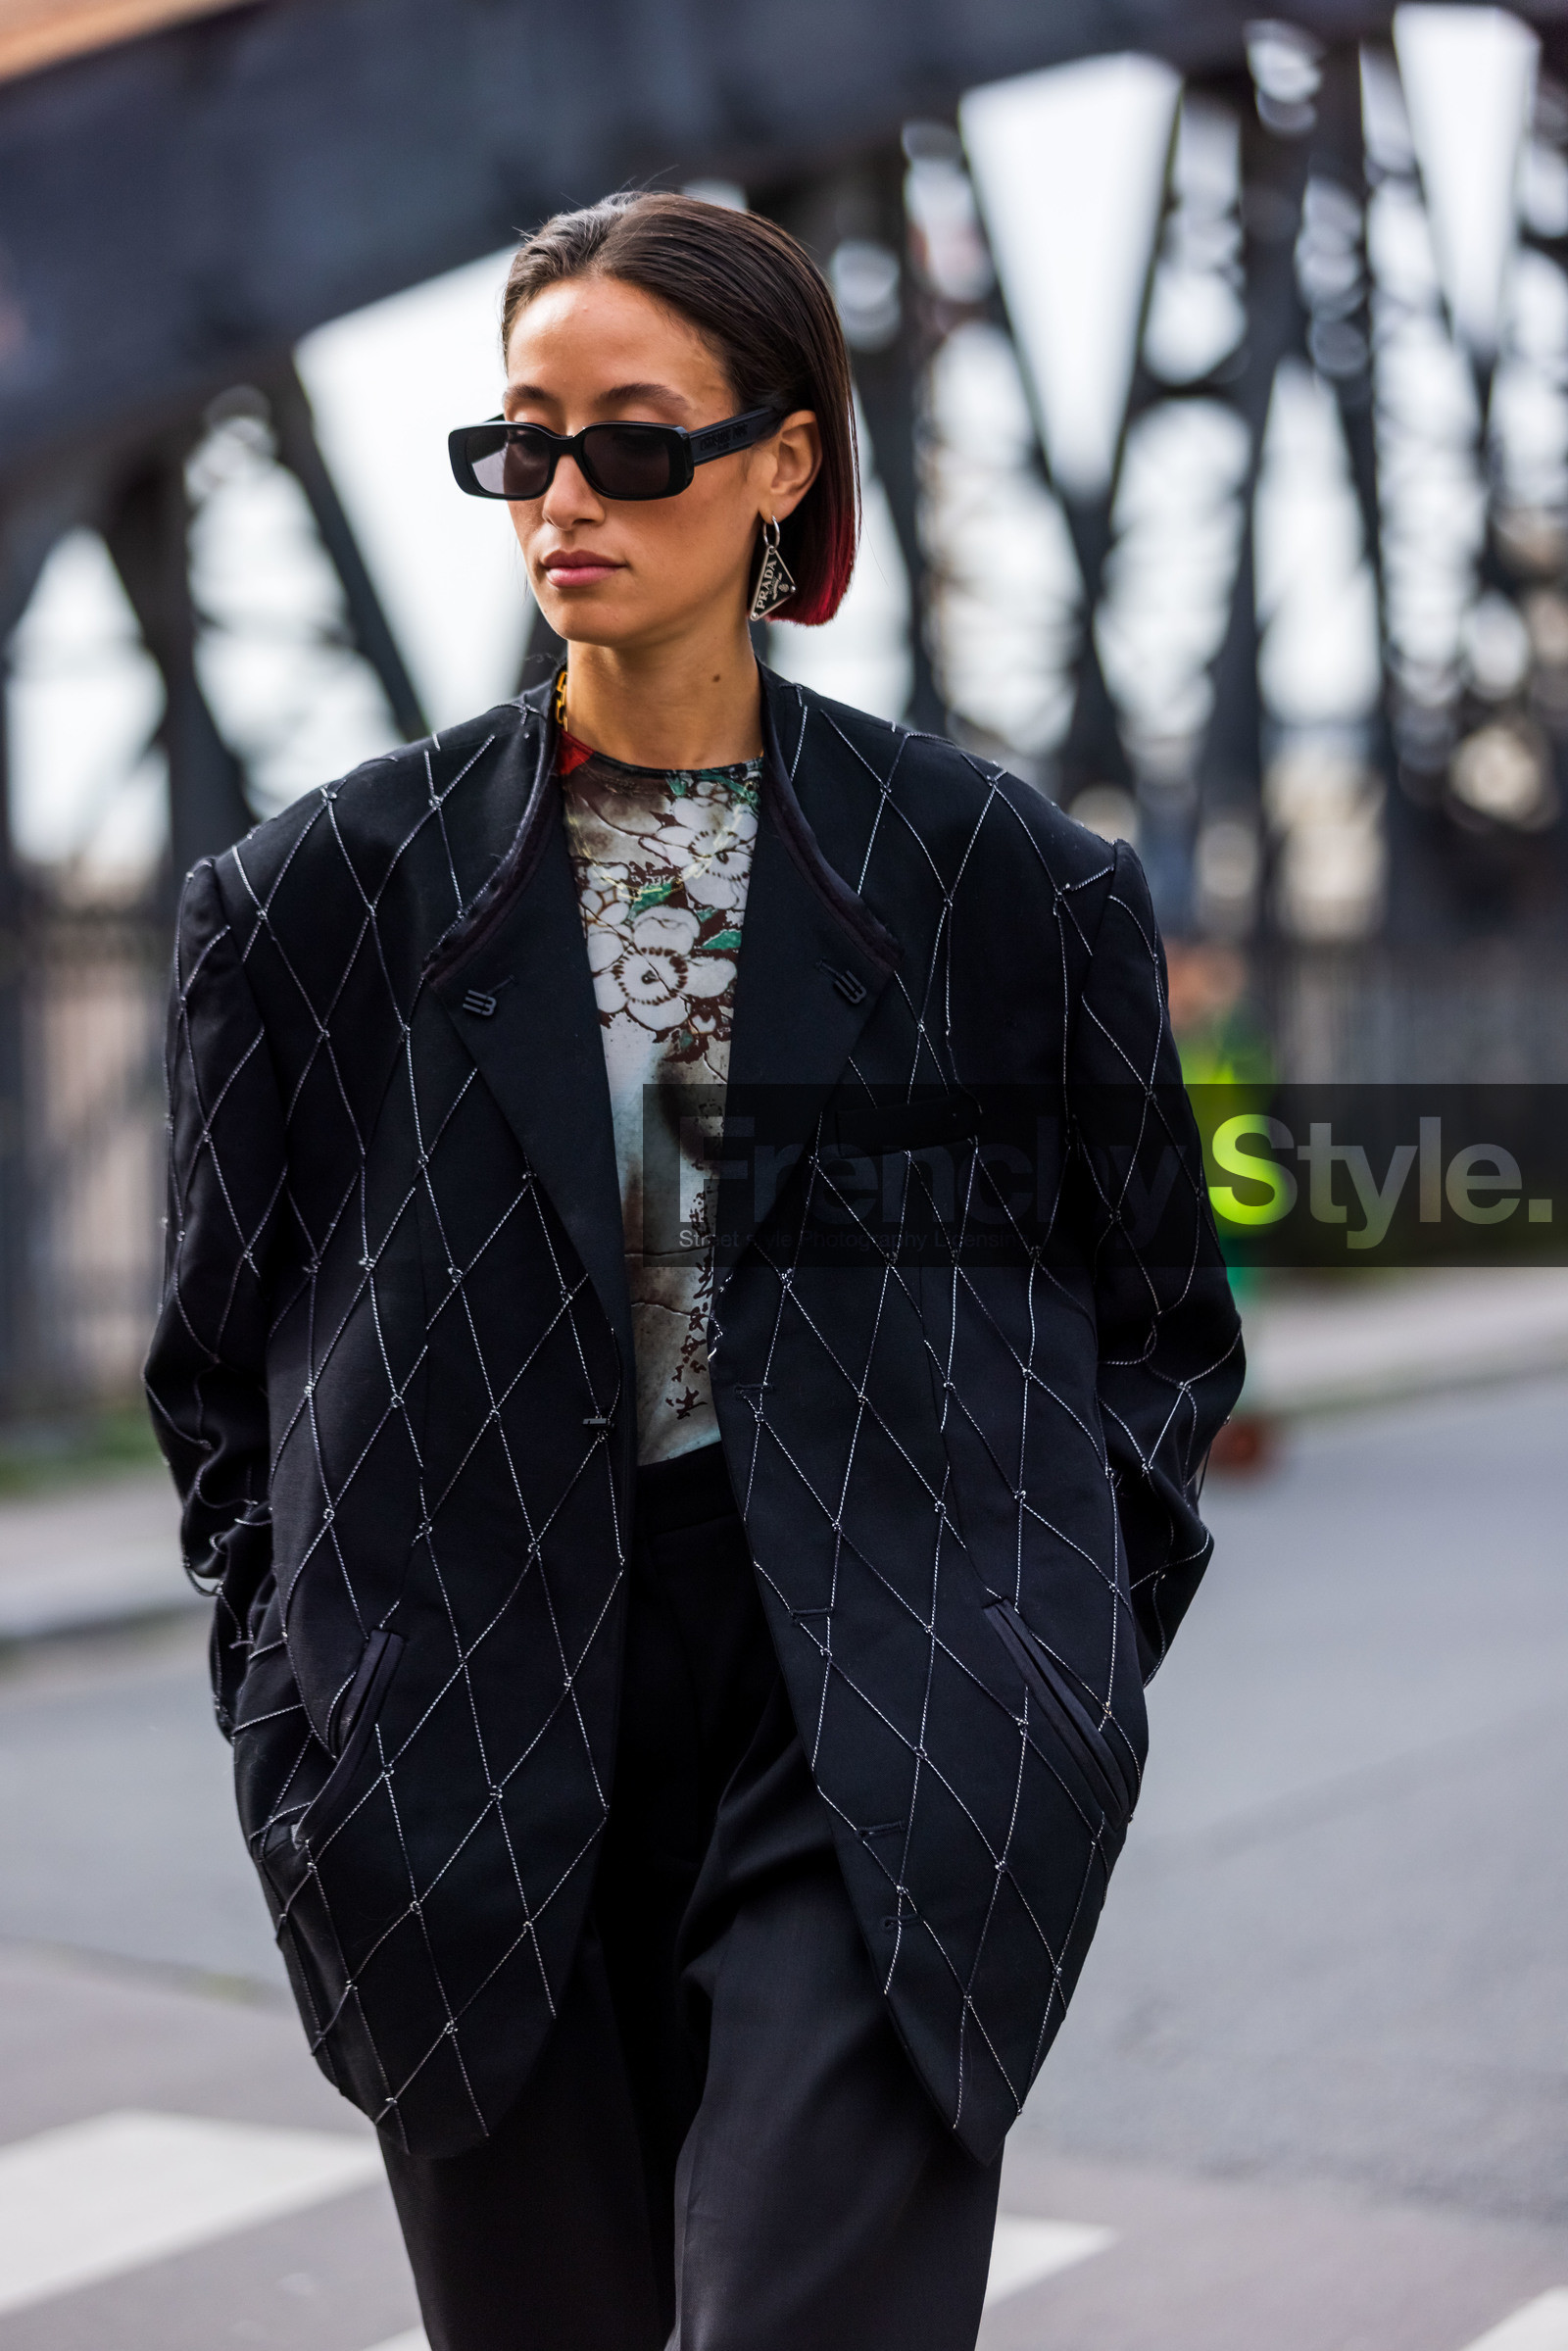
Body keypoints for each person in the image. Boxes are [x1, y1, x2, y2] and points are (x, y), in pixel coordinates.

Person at [146, 191, 1244, 2351]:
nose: (563, 496)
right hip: (451, 1717)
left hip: (879, 1690)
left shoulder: (1000, 890)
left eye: (632, 441)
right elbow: (217, 1376)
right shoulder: (313, 903)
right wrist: (304, 1723)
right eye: (519, 444)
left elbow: (1154, 1330)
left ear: (780, 459)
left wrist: (1043, 1675)